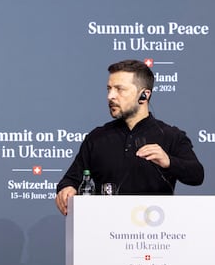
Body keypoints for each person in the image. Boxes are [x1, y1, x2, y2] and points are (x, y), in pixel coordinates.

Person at [55, 60, 203, 215]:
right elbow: (71, 179)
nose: (111, 96)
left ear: (144, 96)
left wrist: (169, 162)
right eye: (109, 89)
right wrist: (67, 188)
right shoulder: (97, 137)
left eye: (120, 89)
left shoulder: (171, 136)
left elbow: (197, 175)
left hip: (155, 231)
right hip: (103, 231)